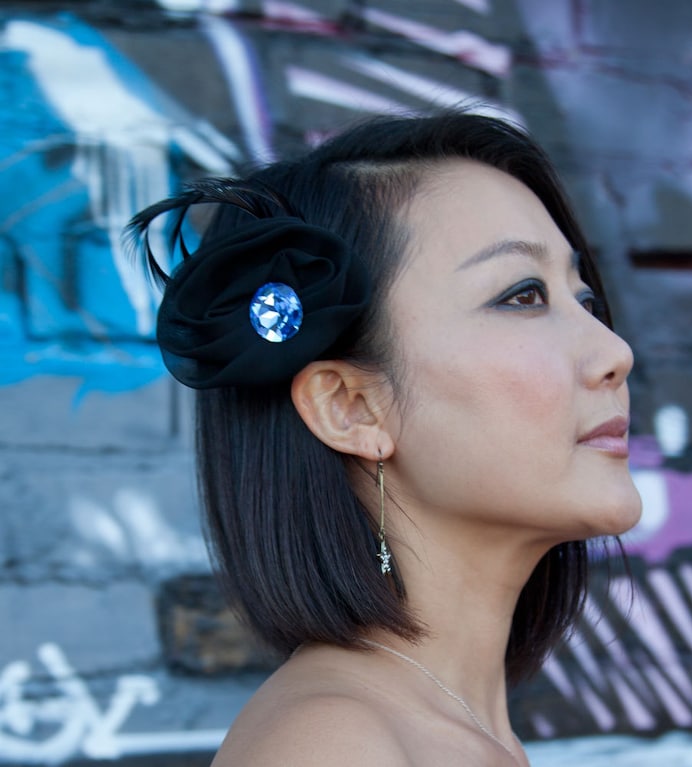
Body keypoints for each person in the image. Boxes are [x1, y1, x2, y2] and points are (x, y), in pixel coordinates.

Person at [129, 111, 641, 766]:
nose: (614, 351)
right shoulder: (333, 744)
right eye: (522, 295)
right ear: (352, 408)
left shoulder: (451, 731)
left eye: (585, 299)